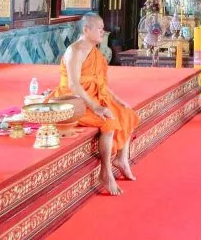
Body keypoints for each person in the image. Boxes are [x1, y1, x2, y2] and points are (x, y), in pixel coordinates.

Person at [54, 13, 139, 195]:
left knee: (126, 113)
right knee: (108, 122)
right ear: (86, 30)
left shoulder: (95, 52)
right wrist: (96, 107)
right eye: (99, 28)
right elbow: (73, 85)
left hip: (93, 96)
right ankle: (105, 171)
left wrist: (117, 100)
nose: (103, 31)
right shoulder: (75, 51)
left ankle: (122, 159)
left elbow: (101, 83)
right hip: (73, 101)